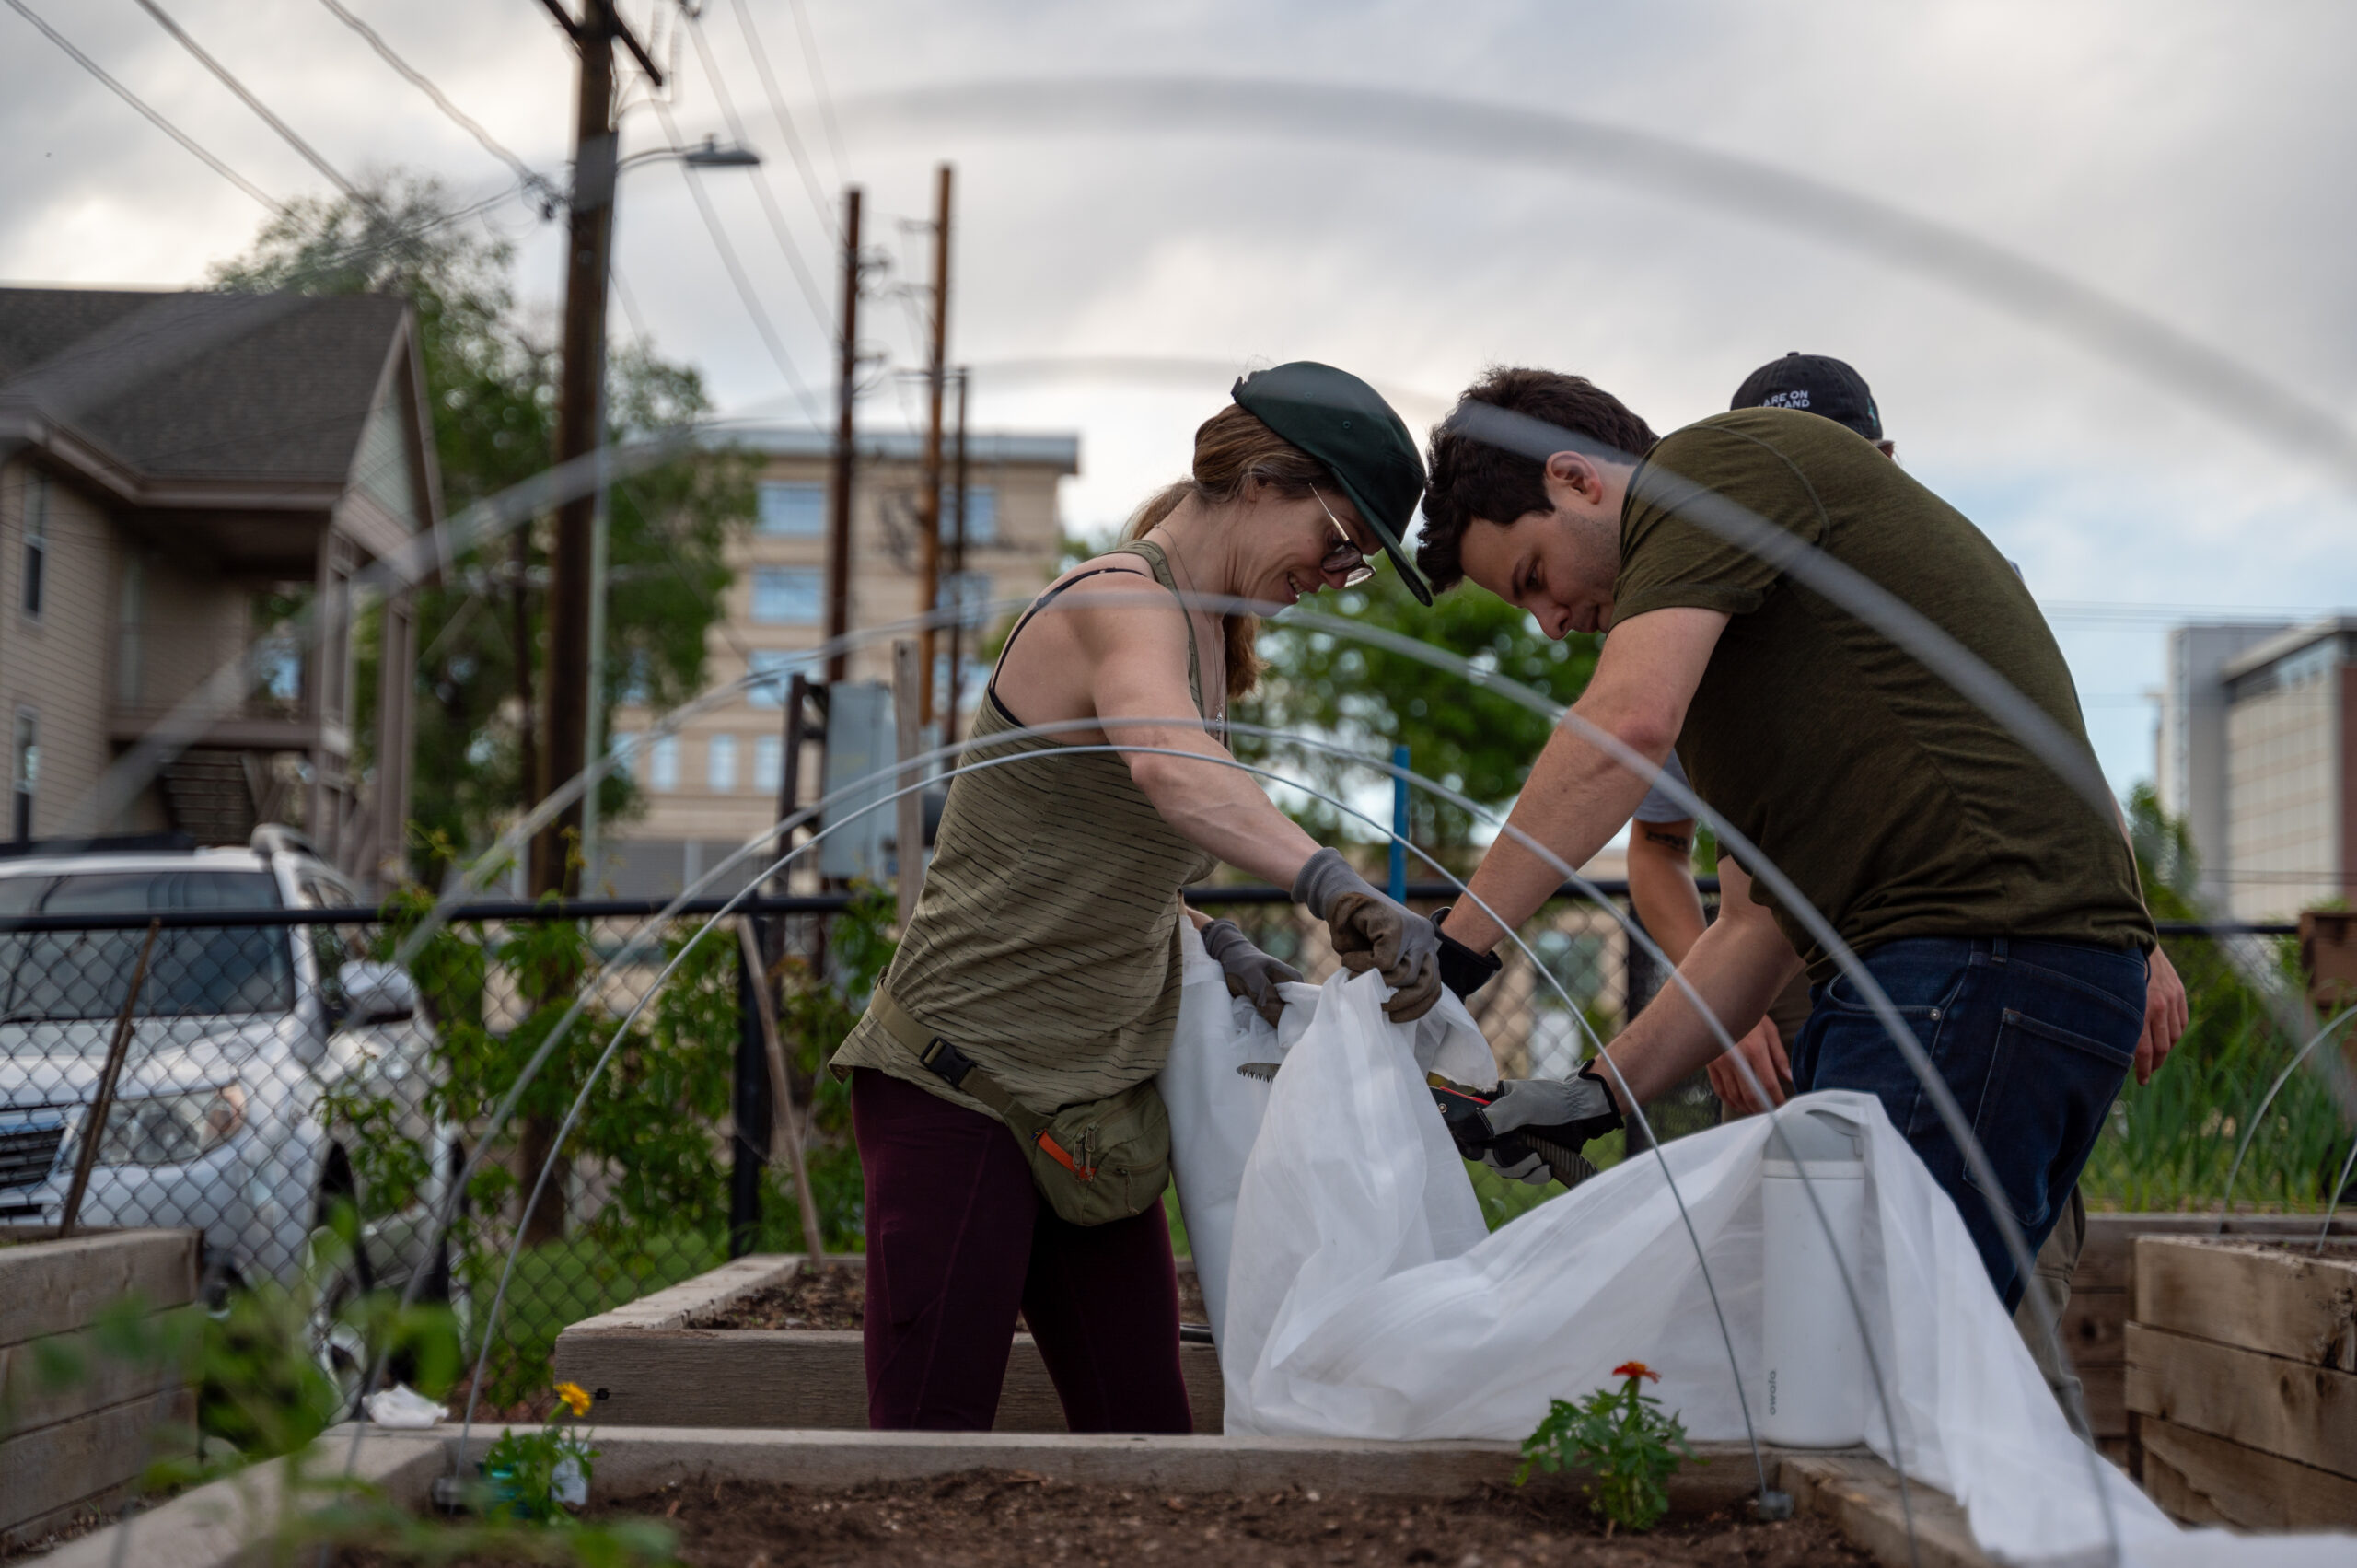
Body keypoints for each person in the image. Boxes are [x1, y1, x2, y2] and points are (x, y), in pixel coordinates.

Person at [1412, 366, 2186, 1318]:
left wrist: (1449, 952)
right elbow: (1751, 926)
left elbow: (1624, 725)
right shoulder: (1755, 653)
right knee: (1887, 1353)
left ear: (1576, 479)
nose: (1549, 622)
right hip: (1990, 976)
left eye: (1533, 576)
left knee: (1852, 1354)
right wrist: (1595, 1095)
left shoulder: (1709, 466)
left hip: (1976, 962)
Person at [830, 362, 1445, 1433]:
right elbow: (1170, 772)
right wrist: (1329, 881)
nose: (1338, 571)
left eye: (1358, 566)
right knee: (923, 1454)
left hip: (1094, 1111)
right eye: (1339, 540)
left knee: (1148, 1438)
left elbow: (1099, 850)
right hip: (961, 1085)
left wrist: (1212, 941)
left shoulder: (1211, 642)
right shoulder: (1120, 601)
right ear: (1261, 483)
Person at [1616, 353, 2183, 1435]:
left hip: (1967, 962)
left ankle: (2027, 1495)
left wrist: (2137, 932)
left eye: (1845, 455)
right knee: (1814, 1290)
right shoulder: (1707, 612)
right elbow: (1664, 850)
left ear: (1883, 465)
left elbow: (2058, 771)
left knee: (1979, 1290)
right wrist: (1719, 1031)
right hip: (1795, 988)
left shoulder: (1945, 583)